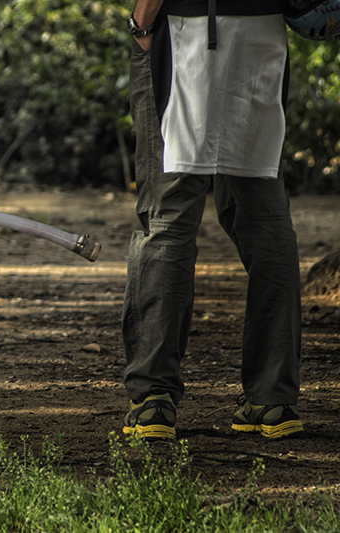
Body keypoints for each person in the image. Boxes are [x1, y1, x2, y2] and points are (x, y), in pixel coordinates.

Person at [122, 0, 304, 441]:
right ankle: (273, 400)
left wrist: (141, 23)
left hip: (186, 33)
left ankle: (154, 401)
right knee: (266, 217)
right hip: (261, 34)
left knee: (167, 218)